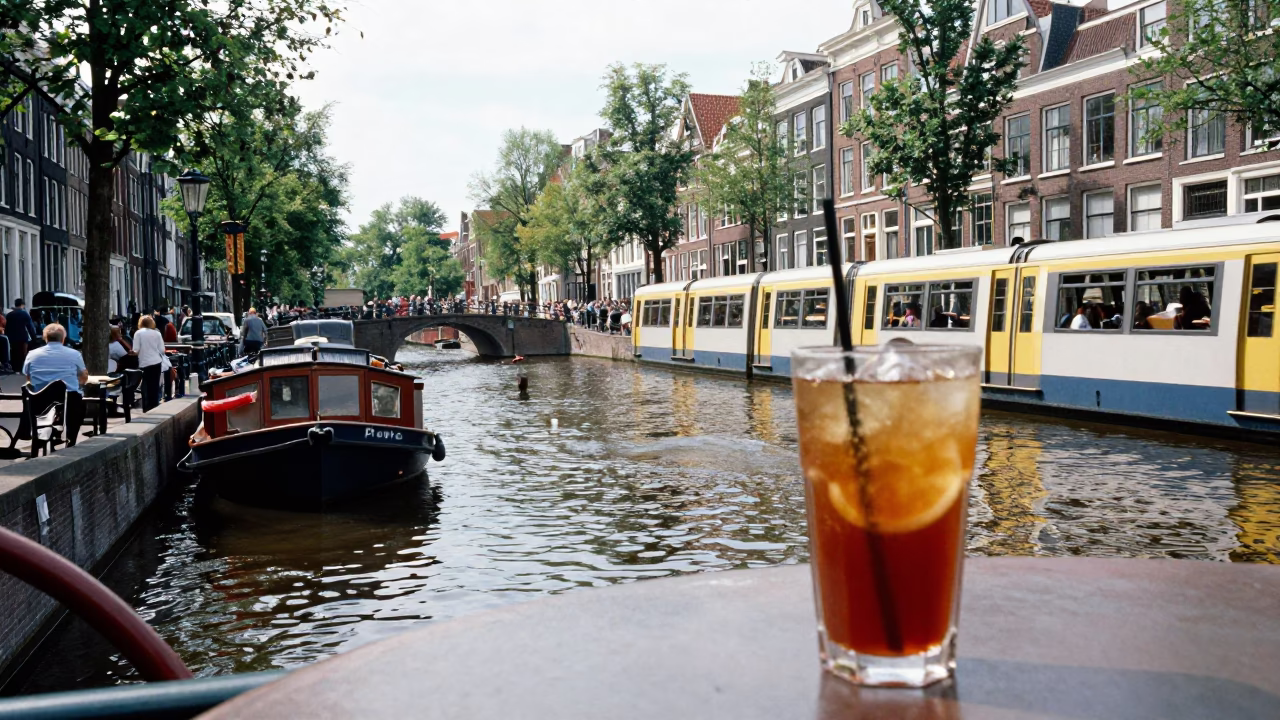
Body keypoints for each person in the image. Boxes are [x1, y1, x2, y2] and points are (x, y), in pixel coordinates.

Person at [23, 323, 87, 395]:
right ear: (63, 338)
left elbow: (28, 377)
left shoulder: (32, 354)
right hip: (69, 399)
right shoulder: (75, 354)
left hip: (40, 399)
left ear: (45, 338)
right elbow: (83, 376)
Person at [134, 316, 167, 411]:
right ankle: (154, 405)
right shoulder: (157, 333)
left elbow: (136, 350)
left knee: (145, 385)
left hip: (144, 362)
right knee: (155, 385)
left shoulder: (138, 333)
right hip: (156, 361)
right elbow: (162, 350)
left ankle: (146, 406)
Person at [5, 298, 39, 372]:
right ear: (22, 305)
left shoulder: (9, 315)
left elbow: (7, 328)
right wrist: (34, 338)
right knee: (23, 353)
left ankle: (15, 368)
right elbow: (30, 327)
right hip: (22, 337)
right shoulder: (25, 314)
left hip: (12, 338)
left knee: (14, 352)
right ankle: (22, 369)